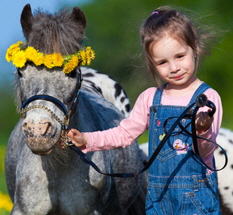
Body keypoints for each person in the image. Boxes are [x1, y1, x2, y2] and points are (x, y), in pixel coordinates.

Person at [67, 6, 223, 214]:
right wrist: (87, 140)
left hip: (196, 198)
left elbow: (205, 152)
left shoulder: (208, 99)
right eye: (162, 62)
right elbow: (124, 134)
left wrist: (202, 130)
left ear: (194, 47)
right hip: (159, 198)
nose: (174, 67)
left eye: (179, 56)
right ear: (152, 63)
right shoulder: (150, 98)